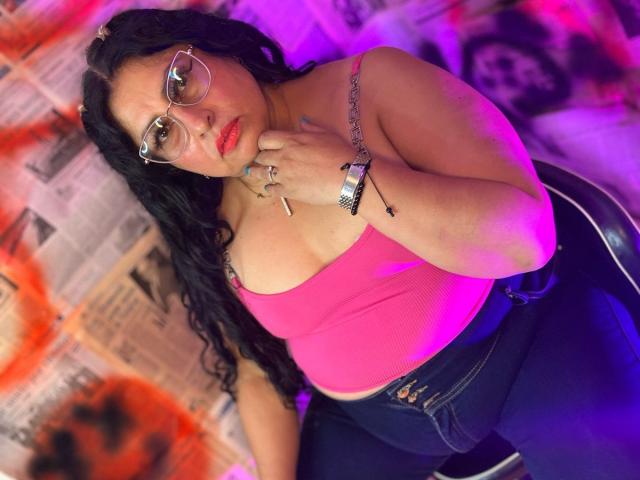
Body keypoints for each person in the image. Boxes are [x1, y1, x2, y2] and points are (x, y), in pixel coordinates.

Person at [80, 8, 640, 480]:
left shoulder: (370, 85)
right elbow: (255, 371)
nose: (197, 123)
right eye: (162, 133)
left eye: (180, 82)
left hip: (526, 345)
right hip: (378, 426)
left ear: (213, 48)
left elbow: (525, 239)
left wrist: (349, 179)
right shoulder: (209, 225)